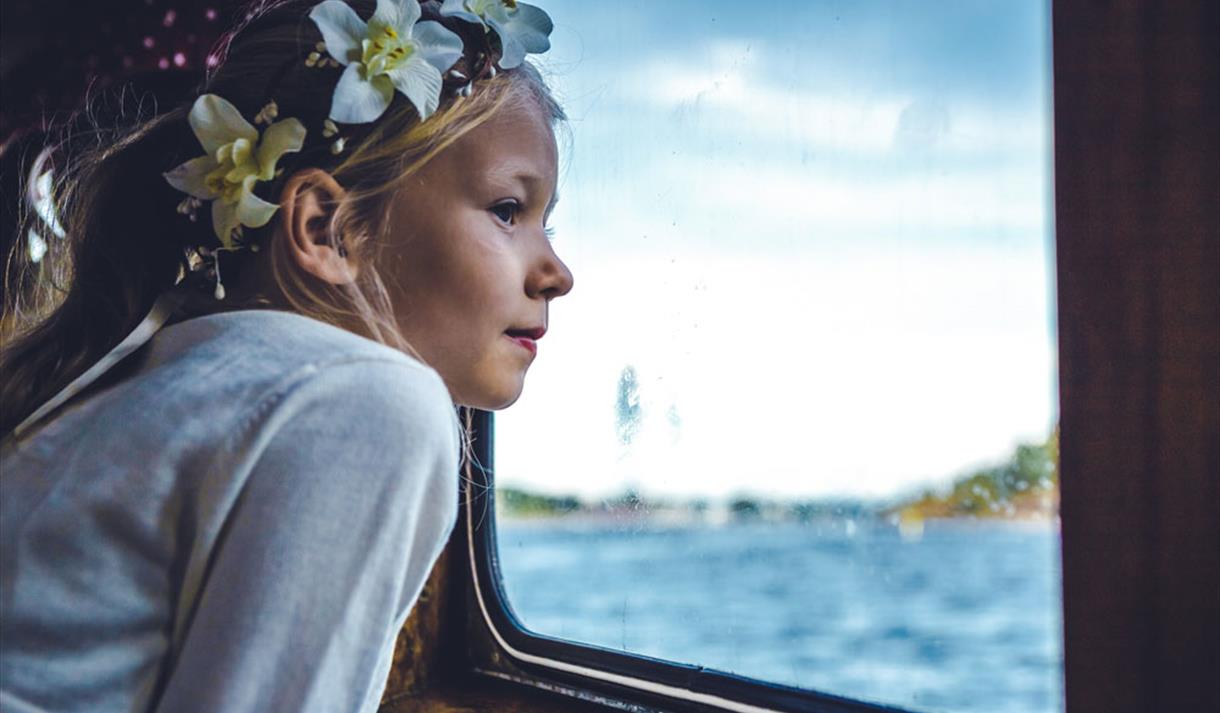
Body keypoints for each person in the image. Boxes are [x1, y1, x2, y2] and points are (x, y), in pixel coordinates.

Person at [0, 0, 573, 711]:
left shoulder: (162, 370)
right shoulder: (370, 399)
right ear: (325, 227)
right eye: (508, 210)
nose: (558, 272)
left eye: (546, 222)